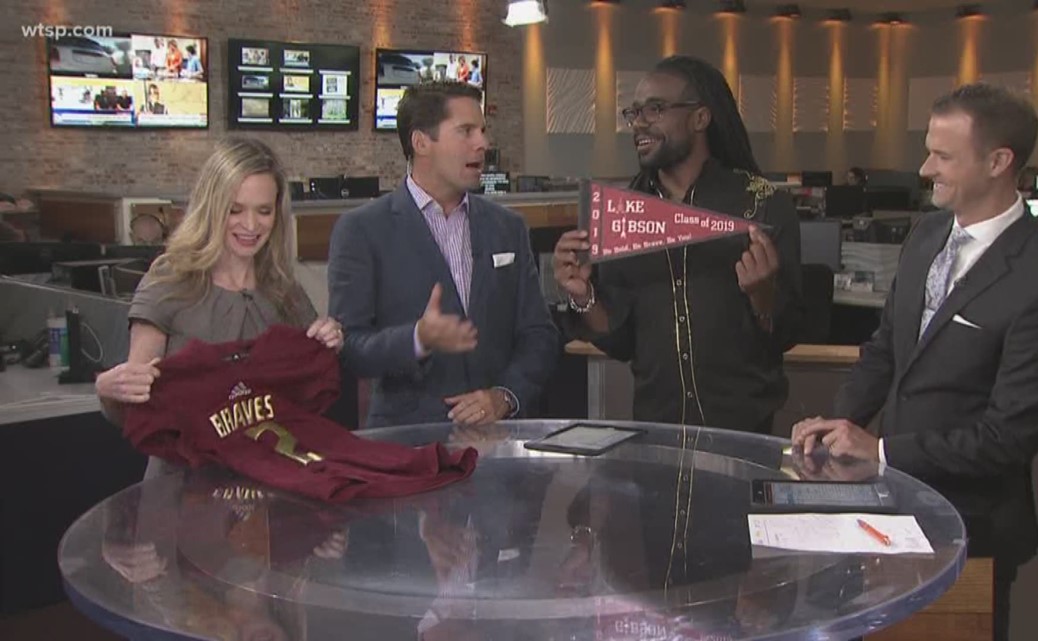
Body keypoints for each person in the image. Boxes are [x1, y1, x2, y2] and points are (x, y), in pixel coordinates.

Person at [790, 83, 1038, 641]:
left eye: (943, 156)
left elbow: (1006, 439)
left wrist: (879, 451)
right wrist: (839, 424)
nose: (926, 169)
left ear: (998, 162)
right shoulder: (927, 234)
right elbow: (886, 348)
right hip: (893, 513)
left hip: (973, 529)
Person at [553, 55, 803, 434]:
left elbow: (787, 333)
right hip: (658, 435)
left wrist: (762, 296)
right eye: (634, 112)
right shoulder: (622, 215)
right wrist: (583, 295)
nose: (640, 123)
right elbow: (621, 342)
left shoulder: (763, 205)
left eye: (655, 109)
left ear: (700, 118)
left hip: (744, 437)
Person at [95, 137, 344, 477]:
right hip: (184, 484)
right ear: (211, 207)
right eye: (235, 210)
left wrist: (328, 340)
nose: (251, 225)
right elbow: (136, 400)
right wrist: (109, 389)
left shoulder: (284, 289)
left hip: (272, 479)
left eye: (264, 211)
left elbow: (303, 393)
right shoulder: (169, 281)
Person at [328, 81, 559, 428]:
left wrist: (504, 396)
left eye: (482, 131)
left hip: (498, 441)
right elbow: (351, 348)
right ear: (421, 142)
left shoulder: (508, 227)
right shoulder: (362, 230)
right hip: (408, 442)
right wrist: (417, 339)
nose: (483, 144)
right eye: (466, 131)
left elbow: (539, 334)